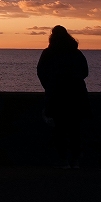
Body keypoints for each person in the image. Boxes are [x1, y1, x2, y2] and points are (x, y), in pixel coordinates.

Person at [37, 25, 89, 169]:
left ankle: (63, 159)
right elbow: (85, 72)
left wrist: (49, 87)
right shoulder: (76, 53)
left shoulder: (48, 53)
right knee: (75, 129)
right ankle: (76, 159)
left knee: (59, 129)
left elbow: (41, 72)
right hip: (76, 95)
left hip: (57, 95)